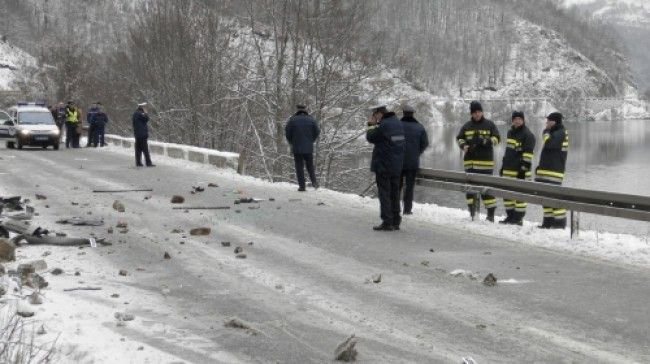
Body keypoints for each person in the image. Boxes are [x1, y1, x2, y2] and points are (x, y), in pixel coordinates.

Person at [456, 101, 500, 221]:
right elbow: (459, 138)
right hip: (470, 164)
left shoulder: (490, 125)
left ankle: (490, 214)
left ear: (482, 112)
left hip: (485, 165)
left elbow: (497, 139)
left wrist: (487, 141)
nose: (477, 114)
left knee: (486, 190)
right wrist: (463, 145)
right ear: (471, 113)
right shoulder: (466, 126)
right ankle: (472, 212)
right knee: (469, 190)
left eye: (479, 112)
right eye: (475, 112)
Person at [367, 104, 405, 231]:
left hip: (384, 165)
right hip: (396, 165)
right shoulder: (398, 123)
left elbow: (371, 137)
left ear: (379, 113)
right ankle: (396, 221)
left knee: (384, 193)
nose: (374, 117)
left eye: (375, 114)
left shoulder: (384, 125)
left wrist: (371, 125)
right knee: (395, 193)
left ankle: (387, 221)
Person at [499, 111, 535, 225]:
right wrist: (503, 167)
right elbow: (508, 152)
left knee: (520, 197)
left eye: (519, 119)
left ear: (523, 120)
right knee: (507, 195)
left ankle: (518, 219)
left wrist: (523, 170)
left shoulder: (528, 135)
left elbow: (528, 155)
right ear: (512, 120)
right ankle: (510, 217)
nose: (517, 121)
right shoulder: (510, 132)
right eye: (515, 119)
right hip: (508, 170)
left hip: (520, 171)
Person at [535, 112, 569, 229]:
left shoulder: (560, 133)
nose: (546, 123)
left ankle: (559, 224)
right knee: (545, 198)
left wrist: (545, 133)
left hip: (554, 172)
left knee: (554, 199)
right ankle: (548, 222)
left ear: (554, 122)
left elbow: (549, 144)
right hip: (546, 171)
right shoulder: (554, 132)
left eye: (548, 121)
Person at [399, 105, 429, 215]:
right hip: (412, 163)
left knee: (397, 186)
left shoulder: (398, 126)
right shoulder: (419, 127)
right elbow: (425, 143)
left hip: (398, 161)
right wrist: (417, 152)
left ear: (403, 113)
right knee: (409, 187)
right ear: (413, 114)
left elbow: (393, 141)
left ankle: (395, 208)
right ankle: (407, 209)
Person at [285, 104, 320, 191]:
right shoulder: (311, 119)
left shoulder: (292, 120)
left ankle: (302, 186)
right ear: (305, 110)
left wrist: (291, 142)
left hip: (297, 147)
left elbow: (287, 133)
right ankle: (314, 183)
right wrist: (311, 140)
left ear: (297, 110)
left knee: (299, 167)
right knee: (310, 166)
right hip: (308, 148)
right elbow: (317, 131)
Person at [132, 102, 154, 167]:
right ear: (142, 107)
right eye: (144, 106)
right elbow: (146, 119)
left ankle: (138, 162)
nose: (145, 107)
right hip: (142, 134)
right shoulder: (140, 113)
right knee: (145, 150)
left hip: (137, 134)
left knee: (138, 149)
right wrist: (146, 113)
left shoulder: (135, 113)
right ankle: (148, 163)